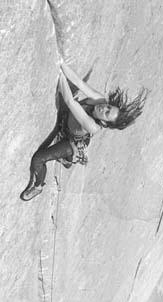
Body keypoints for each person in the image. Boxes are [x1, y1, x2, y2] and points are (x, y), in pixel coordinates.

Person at [20, 60, 146, 201]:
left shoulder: (92, 126)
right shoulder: (100, 100)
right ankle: (65, 159)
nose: (104, 108)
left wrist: (60, 74)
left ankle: (38, 187)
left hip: (70, 141)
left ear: (104, 122)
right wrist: (60, 63)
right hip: (66, 123)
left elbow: (70, 101)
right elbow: (79, 82)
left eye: (106, 113)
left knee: (38, 158)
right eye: (108, 107)